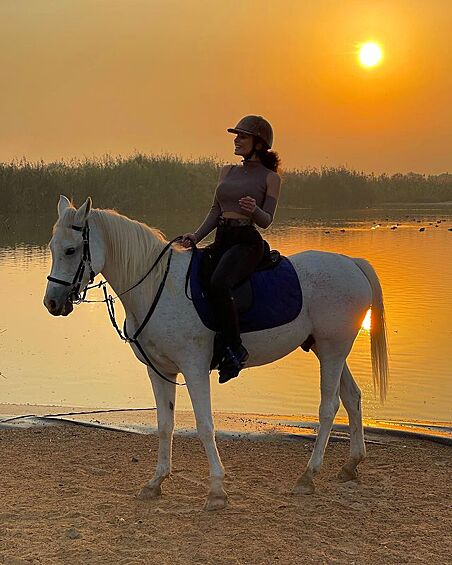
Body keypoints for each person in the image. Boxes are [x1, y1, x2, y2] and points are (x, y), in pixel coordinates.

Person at [181, 115, 282, 383]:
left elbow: (267, 221)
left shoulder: (271, 178)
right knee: (195, 278)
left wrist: (255, 210)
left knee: (219, 283)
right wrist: (196, 235)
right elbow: (215, 211)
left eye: (242, 136)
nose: (236, 140)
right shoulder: (227, 171)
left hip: (246, 242)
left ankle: (235, 349)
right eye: (236, 136)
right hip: (222, 238)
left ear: (258, 144)